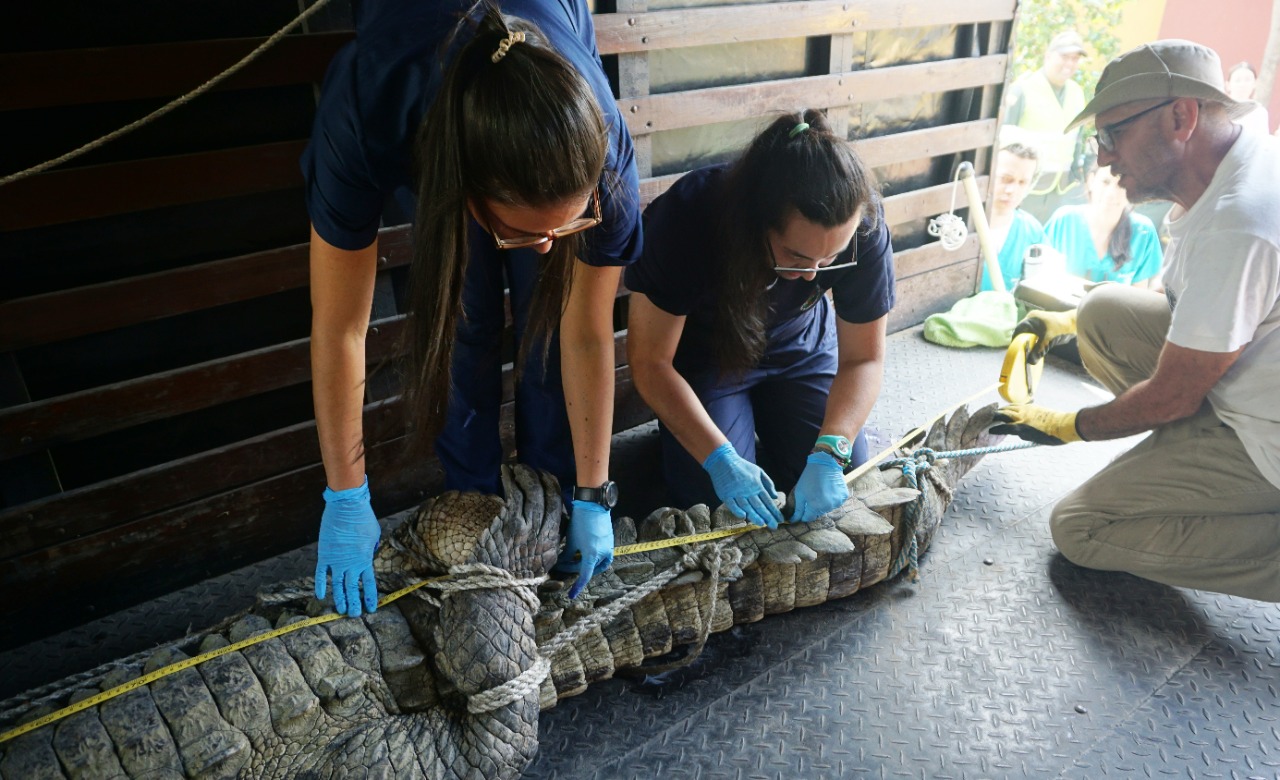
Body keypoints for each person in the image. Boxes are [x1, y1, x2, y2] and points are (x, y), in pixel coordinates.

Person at [301, 0, 643, 613]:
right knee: (466, 314)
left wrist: (594, 491)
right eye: (522, 233)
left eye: (566, 226)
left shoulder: (608, 154)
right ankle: (474, 505)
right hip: (419, 73)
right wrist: (346, 495)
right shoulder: (369, 107)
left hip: (550, 34)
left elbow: (587, 333)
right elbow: (340, 327)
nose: (545, 248)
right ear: (463, 195)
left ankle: (552, 500)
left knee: (551, 311)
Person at [990, 40, 1280, 601]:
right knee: (1100, 313)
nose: (1102, 157)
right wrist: (1064, 323)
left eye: (1111, 135)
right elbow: (1190, 303)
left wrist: (1065, 424)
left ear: (1181, 116)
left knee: (1080, 529)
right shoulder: (1236, 162)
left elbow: (1172, 396)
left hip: (1268, 443)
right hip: (1250, 385)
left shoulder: (1240, 223)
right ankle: (1189, 459)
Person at [626, 111, 894, 527]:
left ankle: (783, 436)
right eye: (797, 256)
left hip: (799, 345)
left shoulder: (864, 225)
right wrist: (719, 459)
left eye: (831, 259)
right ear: (758, 221)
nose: (811, 275)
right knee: (714, 508)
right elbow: (649, 362)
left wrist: (830, 450)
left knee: (847, 478)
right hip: (709, 358)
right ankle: (706, 442)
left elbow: (864, 359)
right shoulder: (689, 215)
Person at [999, 31, 1088, 217]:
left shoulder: (1077, 93)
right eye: (1064, 57)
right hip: (1025, 187)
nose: (1070, 64)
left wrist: (1076, 175)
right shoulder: (1023, 89)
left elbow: (1077, 138)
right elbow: (1003, 140)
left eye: (1075, 59)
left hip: (1062, 189)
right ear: (1048, 56)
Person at [1043, 159, 1163, 287]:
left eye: (1122, 185)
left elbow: (1138, 298)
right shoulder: (1064, 221)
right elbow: (1040, 280)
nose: (1111, 193)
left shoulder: (1143, 232)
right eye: (1105, 182)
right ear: (1091, 181)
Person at [980, 143, 1045, 292]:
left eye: (1022, 182)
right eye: (1005, 179)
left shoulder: (1032, 232)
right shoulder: (959, 225)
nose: (1012, 190)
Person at [1225, 60, 1270, 133]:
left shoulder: (1259, 112)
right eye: (1237, 80)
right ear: (1228, 85)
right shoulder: (1220, 109)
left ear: (1255, 83)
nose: (1242, 84)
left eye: (1247, 80)